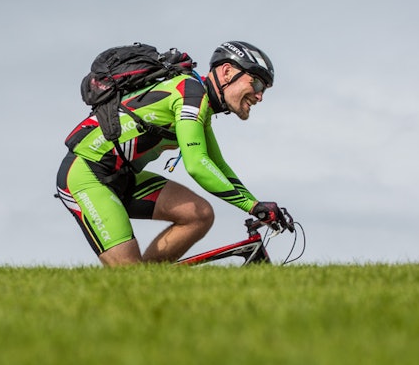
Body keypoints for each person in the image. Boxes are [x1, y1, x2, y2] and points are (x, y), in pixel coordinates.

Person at [55, 40, 290, 266]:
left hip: (122, 176)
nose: (259, 96)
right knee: (128, 275)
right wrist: (250, 206)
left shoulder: (200, 102)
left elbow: (217, 164)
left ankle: (150, 283)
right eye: (256, 84)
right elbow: (197, 164)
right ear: (227, 72)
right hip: (86, 174)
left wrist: (256, 203)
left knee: (199, 215)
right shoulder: (190, 93)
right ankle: (136, 286)